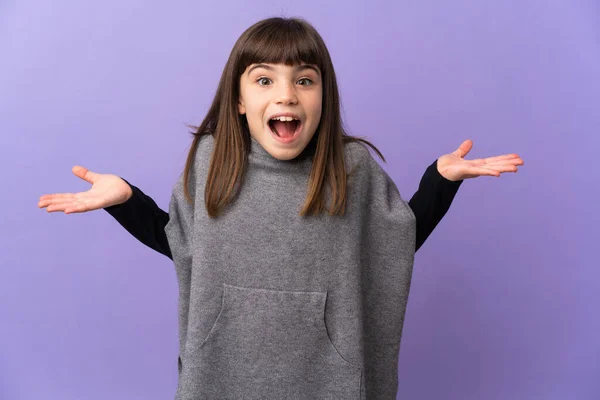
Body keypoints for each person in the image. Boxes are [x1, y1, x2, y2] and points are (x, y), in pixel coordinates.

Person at [38, 17, 523, 400]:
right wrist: (127, 199)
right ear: (240, 100)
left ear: (323, 97)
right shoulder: (211, 160)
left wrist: (440, 180)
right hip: (222, 369)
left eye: (304, 80)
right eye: (265, 80)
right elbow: (185, 243)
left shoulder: (350, 166)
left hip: (327, 375)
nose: (286, 94)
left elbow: (392, 244)